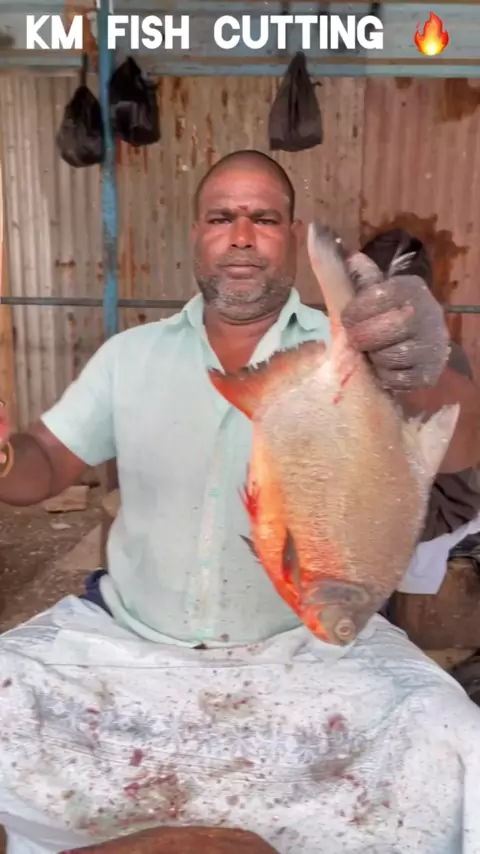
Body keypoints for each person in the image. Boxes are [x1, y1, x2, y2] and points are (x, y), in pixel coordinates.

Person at [2, 150, 480, 854]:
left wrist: (428, 368)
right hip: (127, 649)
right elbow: (45, 464)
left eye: (265, 218)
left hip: (309, 656)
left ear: (293, 235)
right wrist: (5, 456)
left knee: (455, 736)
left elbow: (461, 441)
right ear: (197, 234)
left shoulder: (357, 348)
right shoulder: (129, 356)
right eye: (222, 217)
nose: (242, 235)